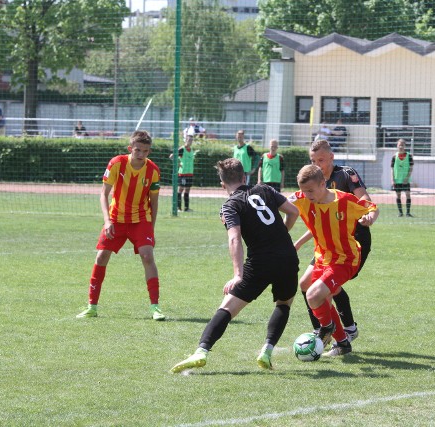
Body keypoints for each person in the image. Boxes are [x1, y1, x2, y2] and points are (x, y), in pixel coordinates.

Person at [170, 158, 300, 373]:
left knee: (227, 308)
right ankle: (267, 351)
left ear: (222, 184)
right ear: (244, 177)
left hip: (259, 262)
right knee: (283, 304)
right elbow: (293, 212)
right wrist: (281, 234)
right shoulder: (265, 189)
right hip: (287, 257)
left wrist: (238, 275)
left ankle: (202, 351)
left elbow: (234, 238)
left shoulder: (230, 205)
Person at [289, 165, 378, 357]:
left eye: (311, 190)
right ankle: (343, 343)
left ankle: (327, 328)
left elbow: (371, 207)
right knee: (309, 288)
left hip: (344, 259)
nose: (307, 195)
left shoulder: (344, 201)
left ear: (323, 183)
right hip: (322, 257)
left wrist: (370, 217)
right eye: (304, 190)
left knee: (313, 295)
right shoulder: (302, 198)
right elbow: (280, 202)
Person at [76, 130, 166, 320]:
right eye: (138, 150)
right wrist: (107, 221)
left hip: (141, 220)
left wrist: (151, 227)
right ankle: (92, 306)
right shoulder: (116, 163)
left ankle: (155, 308)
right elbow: (103, 193)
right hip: (116, 219)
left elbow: (154, 201)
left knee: (147, 256)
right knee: (101, 257)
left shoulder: (153, 171)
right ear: (130, 149)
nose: (141, 154)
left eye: (145, 151)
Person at [170, 133, 197, 212]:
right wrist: (178, 164)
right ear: (185, 140)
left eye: (191, 140)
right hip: (183, 173)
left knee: (187, 190)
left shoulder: (191, 150)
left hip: (190, 173)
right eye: (189, 140)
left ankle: (186, 208)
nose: (190, 141)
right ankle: (178, 208)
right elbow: (172, 156)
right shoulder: (182, 149)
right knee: (180, 189)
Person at [391, 138, 414, 217]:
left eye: (402, 145)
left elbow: (411, 168)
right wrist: (393, 179)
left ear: (405, 146)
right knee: (398, 195)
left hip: (405, 180)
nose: (400, 147)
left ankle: (408, 213)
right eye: (399, 145)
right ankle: (400, 213)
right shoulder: (394, 156)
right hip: (397, 180)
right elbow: (392, 169)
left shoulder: (409, 156)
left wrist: (407, 178)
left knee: (408, 195)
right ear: (397, 146)